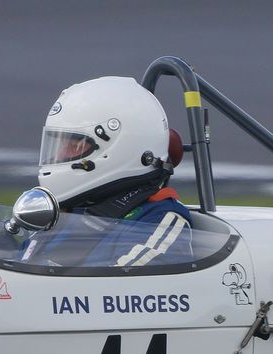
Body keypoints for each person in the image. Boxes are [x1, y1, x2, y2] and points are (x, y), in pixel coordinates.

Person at [33, 76, 194, 268]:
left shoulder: (160, 220)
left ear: (122, 148)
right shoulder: (67, 211)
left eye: (75, 146)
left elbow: (116, 288)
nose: (60, 155)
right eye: (60, 144)